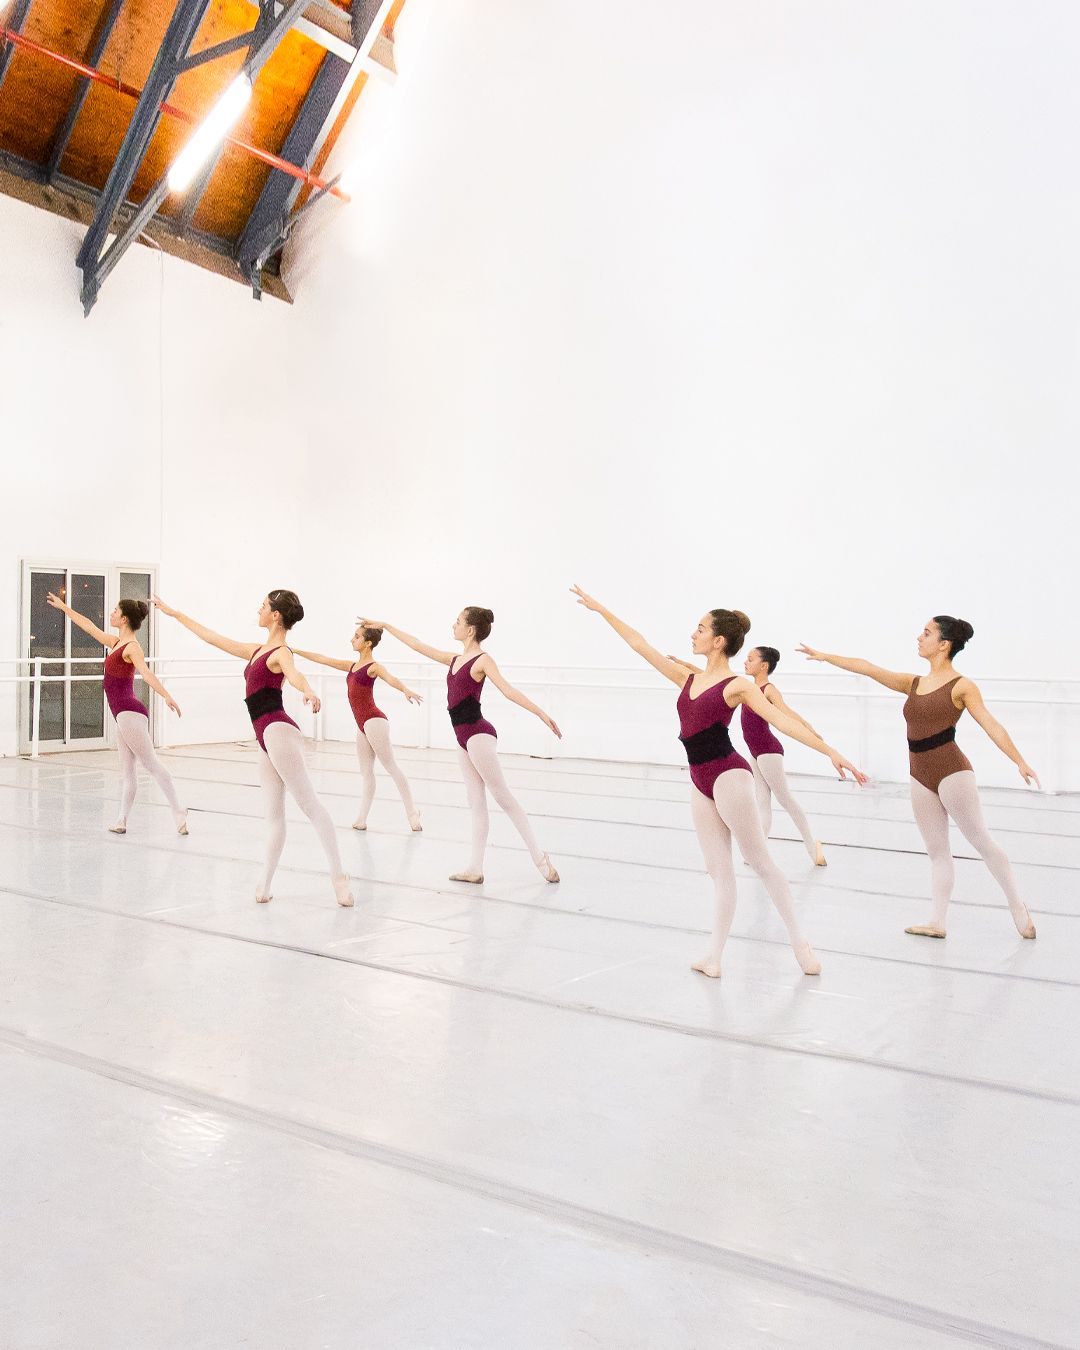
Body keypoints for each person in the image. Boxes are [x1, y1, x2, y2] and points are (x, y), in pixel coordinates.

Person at [573, 586, 865, 978]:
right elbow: (640, 645)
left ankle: (800, 944)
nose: (693, 634)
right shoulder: (688, 677)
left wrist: (830, 750)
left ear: (718, 640)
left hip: (728, 773)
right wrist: (601, 609)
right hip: (699, 779)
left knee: (761, 862)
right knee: (719, 872)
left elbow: (782, 721)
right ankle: (714, 957)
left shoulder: (737, 685)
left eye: (700, 628)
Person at [798, 617, 1037, 939]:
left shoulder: (962, 686)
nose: (919, 637)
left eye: (927, 633)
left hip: (953, 771)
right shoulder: (913, 683)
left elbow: (991, 724)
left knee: (980, 840)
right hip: (919, 773)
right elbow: (868, 668)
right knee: (937, 851)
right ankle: (937, 922)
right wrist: (827, 657)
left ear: (944, 644)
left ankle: (1018, 907)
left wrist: (1019, 760)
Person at [153, 591, 354, 907]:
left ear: (275, 615)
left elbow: (295, 674)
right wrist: (176, 614)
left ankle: (339, 878)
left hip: (277, 729)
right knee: (274, 815)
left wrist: (309, 691)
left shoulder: (280, 652)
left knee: (309, 805)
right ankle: (265, 884)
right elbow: (213, 638)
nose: (258, 609)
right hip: (265, 737)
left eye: (263, 606)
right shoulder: (257, 650)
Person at [358, 607, 560, 883]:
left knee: (503, 797)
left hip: (478, 733)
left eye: (458, 621)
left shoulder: (483, 660)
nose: (453, 625)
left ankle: (540, 859)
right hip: (462, 739)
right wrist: (388, 626)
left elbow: (508, 690)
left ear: (471, 629)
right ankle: (475, 868)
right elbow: (419, 646)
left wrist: (541, 713)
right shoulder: (454, 659)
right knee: (476, 803)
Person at [45, 591, 187, 836]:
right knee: (128, 771)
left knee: (150, 763)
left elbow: (147, 673)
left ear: (123, 619)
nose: (111, 613)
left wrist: (166, 695)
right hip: (122, 714)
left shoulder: (132, 648)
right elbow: (89, 627)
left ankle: (178, 810)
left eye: (115, 611)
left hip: (130, 712)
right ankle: (121, 820)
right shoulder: (116, 643)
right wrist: (64, 608)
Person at [294, 624, 424, 832]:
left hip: (374, 720)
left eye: (356, 637)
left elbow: (391, 678)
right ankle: (362, 818)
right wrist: (296, 651)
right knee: (366, 773)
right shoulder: (352, 666)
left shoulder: (373, 666)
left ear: (368, 643)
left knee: (391, 767)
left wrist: (405, 690)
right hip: (362, 725)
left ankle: (412, 814)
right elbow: (324, 659)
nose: (352, 639)